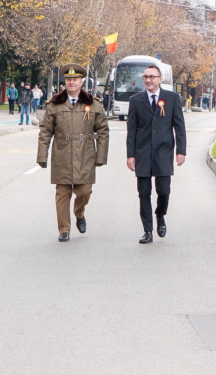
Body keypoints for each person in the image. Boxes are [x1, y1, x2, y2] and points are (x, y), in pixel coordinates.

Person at [37, 64, 109, 242]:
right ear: (65, 82)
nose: (71, 82)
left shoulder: (93, 104)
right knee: (62, 193)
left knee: (84, 191)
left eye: (75, 79)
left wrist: (101, 156)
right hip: (61, 154)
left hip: (85, 155)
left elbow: (103, 131)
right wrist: (42, 155)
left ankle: (79, 212)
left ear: (81, 82)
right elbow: (45, 130)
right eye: (68, 79)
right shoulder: (55, 104)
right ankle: (64, 229)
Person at [126, 64, 186, 244]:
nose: (148, 80)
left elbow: (179, 127)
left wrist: (180, 151)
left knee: (164, 191)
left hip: (164, 152)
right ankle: (148, 230)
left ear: (160, 79)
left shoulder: (172, 98)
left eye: (152, 76)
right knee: (143, 193)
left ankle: (160, 215)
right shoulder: (136, 100)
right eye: (145, 77)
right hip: (142, 153)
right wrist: (130, 155)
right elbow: (132, 130)